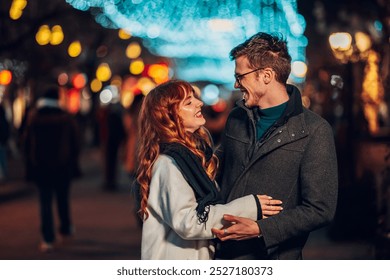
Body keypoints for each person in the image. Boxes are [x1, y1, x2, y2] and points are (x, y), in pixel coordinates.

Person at [211, 32, 338, 260]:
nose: (236, 83)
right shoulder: (236, 118)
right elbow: (215, 170)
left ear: (266, 75)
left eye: (240, 77)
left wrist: (261, 229)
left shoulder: (315, 130)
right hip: (223, 253)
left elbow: (320, 209)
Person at [136, 80, 282, 260]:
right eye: (188, 102)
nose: (200, 103)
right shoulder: (168, 164)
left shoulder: (192, 157)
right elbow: (189, 222)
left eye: (195, 99)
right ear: (169, 116)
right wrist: (248, 207)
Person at [23, 86, 80, 252]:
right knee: (63, 199)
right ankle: (65, 228)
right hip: (62, 166)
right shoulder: (66, 118)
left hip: (41, 166)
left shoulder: (34, 118)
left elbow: (26, 143)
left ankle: (47, 238)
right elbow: (75, 142)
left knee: (45, 202)